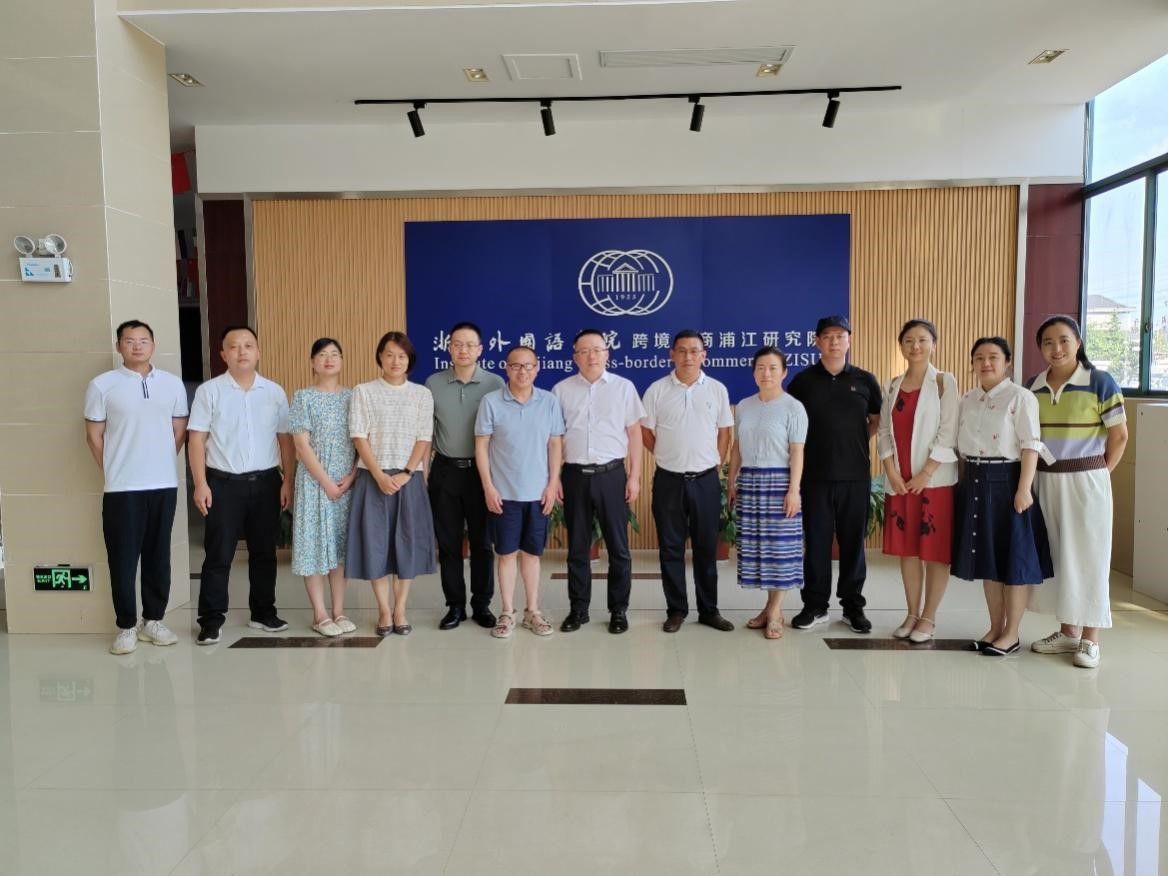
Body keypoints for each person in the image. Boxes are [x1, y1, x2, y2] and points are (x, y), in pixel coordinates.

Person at [1027, 316, 1128, 669]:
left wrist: (1097, 473)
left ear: (1078, 342)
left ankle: (1090, 638)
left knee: (1089, 556)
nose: (1056, 349)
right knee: (1057, 555)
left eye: (1064, 340)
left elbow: (1119, 436)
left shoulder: (1100, 382)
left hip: (1086, 481)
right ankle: (1067, 632)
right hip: (1045, 480)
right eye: (1048, 342)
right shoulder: (1033, 386)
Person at [84, 320, 189, 655]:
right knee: (123, 558)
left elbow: (178, 432)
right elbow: (94, 436)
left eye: (144, 340)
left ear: (153, 345)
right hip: (122, 488)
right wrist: (114, 469)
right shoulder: (102, 385)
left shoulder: (172, 384)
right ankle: (126, 626)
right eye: (129, 340)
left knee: (159, 555)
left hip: (163, 484)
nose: (137, 346)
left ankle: (153, 621)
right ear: (119, 346)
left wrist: (159, 461)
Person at [189, 326, 294, 645]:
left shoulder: (274, 392)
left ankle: (263, 612)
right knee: (218, 554)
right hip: (223, 484)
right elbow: (196, 440)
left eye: (248, 345)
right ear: (223, 354)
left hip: (266, 482)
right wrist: (200, 484)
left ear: (258, 352)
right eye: (234, 346)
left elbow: (285, 441)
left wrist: (288, 480)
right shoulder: (209, 391)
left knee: (264, 552)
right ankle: (211, 619)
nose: (242, 351)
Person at [953, 336, 1053, 657]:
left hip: (1007, 482)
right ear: (972, 363)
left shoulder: (1021, 397)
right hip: (974, 481)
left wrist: (1023, 489)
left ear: (1007, 361)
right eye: (979, 357)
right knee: (988, 562)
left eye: (993, 357)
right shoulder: (967, 399)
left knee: (1014, 562)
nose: (985, 363)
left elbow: (1030, 445)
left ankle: (1011, 634)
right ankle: (995, 628)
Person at [786, 316, 882, 634]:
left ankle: (853, 607)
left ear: (849, 340)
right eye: (827, 336)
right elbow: (793, 425)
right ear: (817, 342)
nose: (834, 341)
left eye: (840, 336)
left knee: (853, 544)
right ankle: (815, 606)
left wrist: (852, 442)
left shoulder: (865, 380)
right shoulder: (803, 382)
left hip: (855, 476)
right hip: (814, 477)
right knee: (816, 543)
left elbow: (874, 421)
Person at [641, 330, 735, 633]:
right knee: (670, 548)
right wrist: (665, 454)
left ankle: (709, 610)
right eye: (681, 351)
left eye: (694, 351)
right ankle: (676, 610)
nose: (688, 356)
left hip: (705, 480)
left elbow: (725, 432)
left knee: (706, 548)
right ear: (671, 354)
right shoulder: (656, 390)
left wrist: (715, 463)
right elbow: (645, 431)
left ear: (704, 355)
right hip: (668, 480)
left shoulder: (717, 389)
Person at [552, 329, 646, 635]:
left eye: (597, 349)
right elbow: (555, 438)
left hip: (612, 475)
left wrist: (635, 476)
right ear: (575, 357)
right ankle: (578, 609)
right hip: (574, 476)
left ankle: (618, 610)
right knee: (577, 548)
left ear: (607, 353)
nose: (591, 356)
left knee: (619, 548)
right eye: (584, 351)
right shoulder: (561, 390)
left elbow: (634, 434)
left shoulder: (624, 387)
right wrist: (554, 478)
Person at [347, 331, 436, 636]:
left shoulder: (422, 394)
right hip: (373, 477)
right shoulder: (363, 391)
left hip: (409, 478)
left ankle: (400, 608)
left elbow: (424, 437)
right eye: (389, 354)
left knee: (407, 543)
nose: (396, 361)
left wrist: (407, 472)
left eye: (402, 356)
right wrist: (379, 475)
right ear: (380, 357)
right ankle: (383, 610)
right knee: (376, 544)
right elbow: (359, 435)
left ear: (409, 360)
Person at [877, 319, 959, 643]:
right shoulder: (892, 386)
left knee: (935, 552)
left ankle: (929, 617)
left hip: (934, 483)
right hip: (901, 482)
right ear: (901, 346)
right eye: (909, 340)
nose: (915, 346)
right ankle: (911, 613)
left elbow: (948, 431)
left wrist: (925, 473)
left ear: (933, 345)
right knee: (908, 552)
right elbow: (884, 432)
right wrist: (891, 471)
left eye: (923, 340)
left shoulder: (943, 382)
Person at [475, 345, 564, 639]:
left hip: (538, 494)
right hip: (504, 494)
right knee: (506, 554)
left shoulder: (549, 401)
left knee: (532, 554)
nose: (522, 371)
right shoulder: (491, 401)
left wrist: (552, 483)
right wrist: (488, 486)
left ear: (537, 369)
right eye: (516, 366)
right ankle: (507, 612)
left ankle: (532, 611)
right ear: (506, 368)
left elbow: (555, 444)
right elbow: (481, 446)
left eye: (528, 366)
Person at [425, 322, 504, 630]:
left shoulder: (495, 383)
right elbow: (426, 433)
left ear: (480, 350)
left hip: (482, 473)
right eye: (457, 344)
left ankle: (482, 604)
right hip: (445, 471)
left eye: (470, 345)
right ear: (448, 348)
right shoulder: (433, 383)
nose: (463, 350)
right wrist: (424, 472)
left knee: (483, 543)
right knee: (449, 544)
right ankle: (455, 606)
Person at [727, 347, 807, 640]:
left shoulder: (793, 407)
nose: (766, 373)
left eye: (773, 368)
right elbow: (737, 447)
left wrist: (794, 490)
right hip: (750, 482)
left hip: (780, 483)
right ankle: (769, 607)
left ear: (784, 372)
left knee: (780, 550)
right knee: (761, 550)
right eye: (761, 368)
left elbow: (797, 451)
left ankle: (775, 612)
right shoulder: (744, 406)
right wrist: (731, 481)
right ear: (753, 373)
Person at [290, 338, 357, 637]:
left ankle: (339, 611)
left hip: (346, 483)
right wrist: (327, 483)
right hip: (314, 483)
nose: (329, 359)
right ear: (312, 362)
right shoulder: (303, 397)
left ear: (342, 361)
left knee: (339, 549)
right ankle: (320, 614)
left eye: (334, 354)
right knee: (314, 547)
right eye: (322, 354)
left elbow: (363, 441)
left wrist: (352, 477)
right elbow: (301, 445)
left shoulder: (354, 397)